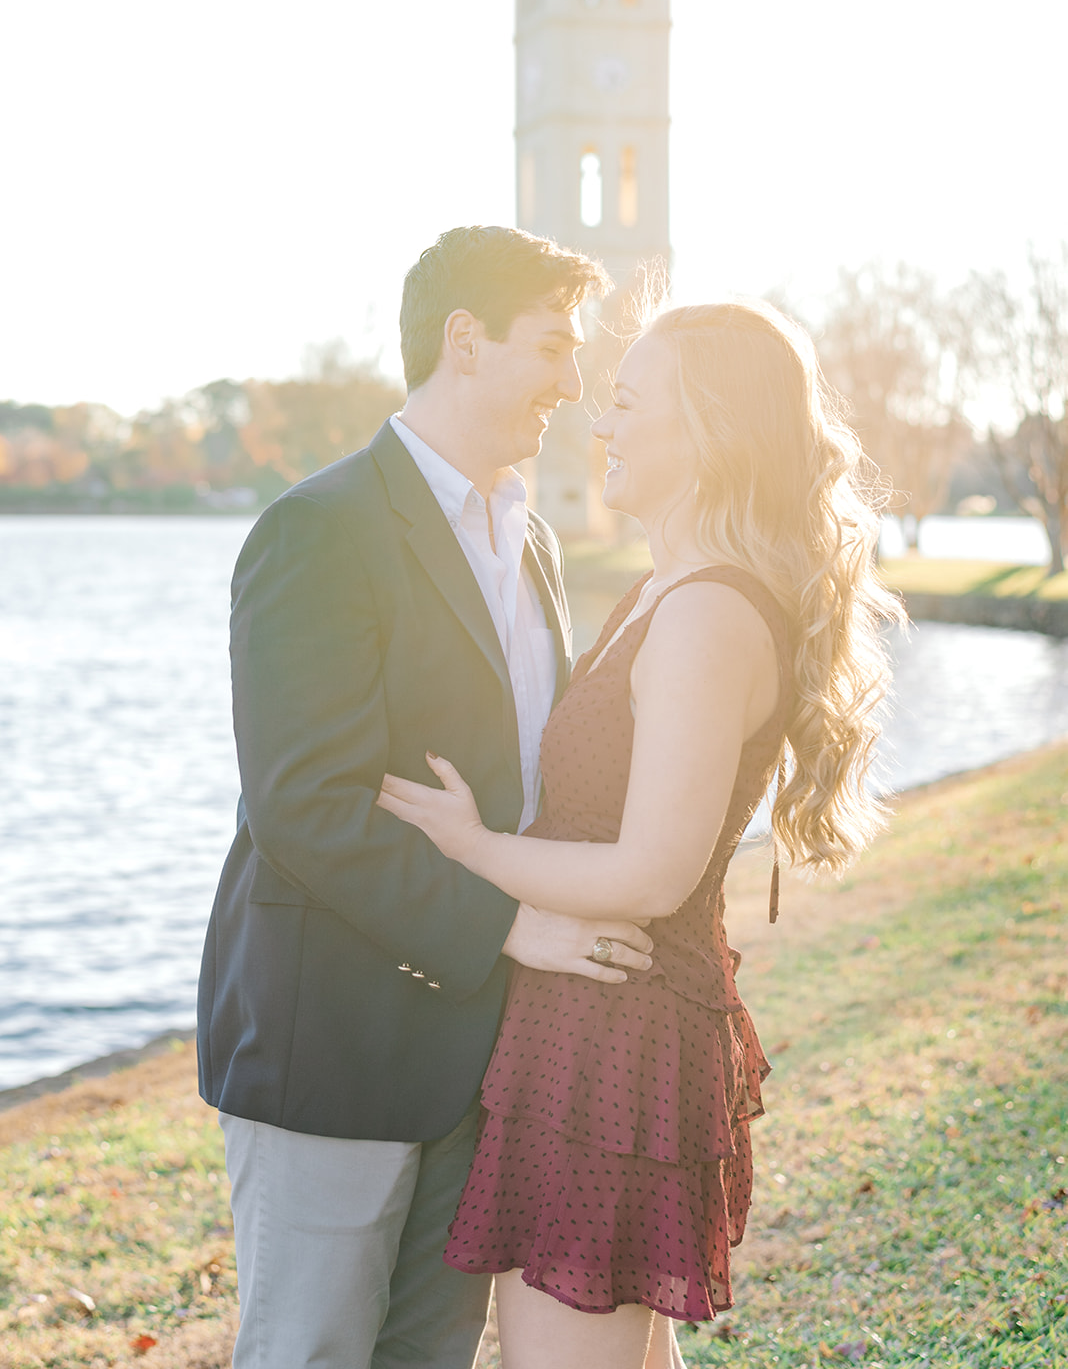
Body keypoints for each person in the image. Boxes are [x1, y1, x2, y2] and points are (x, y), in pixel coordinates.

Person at [378, 298, 901, 1369]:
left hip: (621, 1023)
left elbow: (654, 867)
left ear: (706, 430)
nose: (599, 426)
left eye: (626, 403)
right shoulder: (664, 588)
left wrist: (471, 849)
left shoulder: (709, 614)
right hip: (588, 1013)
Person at [196, 224, 658, 1369]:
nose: (571, 382)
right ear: (466, 339)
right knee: (310, 1352)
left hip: (477, 1053)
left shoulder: (533, 540)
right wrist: (514, 925)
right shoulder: (320, 528)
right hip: (333, 1044)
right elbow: (305, 807)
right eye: (552, 347)